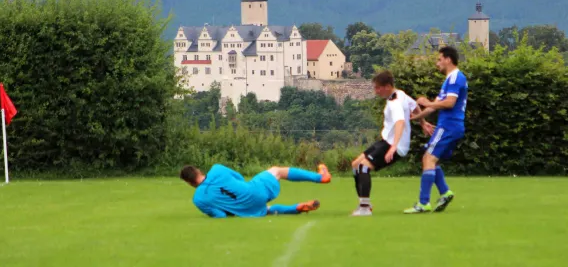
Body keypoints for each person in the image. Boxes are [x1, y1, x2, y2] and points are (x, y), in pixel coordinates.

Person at [350, 70, 433, 216]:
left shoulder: (395, 103)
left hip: (393, 145)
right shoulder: (400, 94)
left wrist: (393, 147)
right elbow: (414, 106)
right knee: (356, 165)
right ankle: (365, 204)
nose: (376, 92)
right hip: (386, 141)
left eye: (378, 88)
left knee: (363, 167)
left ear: (387, 86)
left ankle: (364, 208)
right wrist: (423, 122)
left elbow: (400, 122)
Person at [404, 46, 468, 214]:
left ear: (448, 59)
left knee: (428, 159)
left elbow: (449, 103)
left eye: (439, 59)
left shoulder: (455, 78)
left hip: (449, 126)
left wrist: (427, 103)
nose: (437, 63)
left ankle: (423, 203)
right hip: (450, 126)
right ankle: (445, 193)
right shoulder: (449, 80)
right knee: (431, 159)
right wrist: (416, 118)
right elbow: (435, 106)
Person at [180, 163, 332, 218]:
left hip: (245, 210)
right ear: (198, 171)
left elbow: (220, 215)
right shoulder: (217, 169)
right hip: (253, 190)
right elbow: (239, 177)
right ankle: (321, 178)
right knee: (276, 171)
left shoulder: (198, 199)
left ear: (189, 182)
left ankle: (296, 208)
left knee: (265, 210)